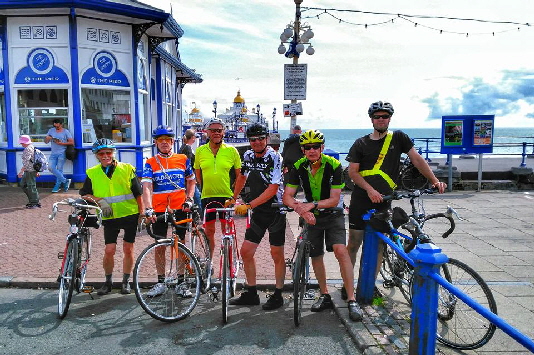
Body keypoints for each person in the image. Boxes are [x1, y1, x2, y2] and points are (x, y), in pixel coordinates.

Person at [345, 101, 447, 300]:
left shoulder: (399, 138)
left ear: (390, 118)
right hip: (361, 199)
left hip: (384, 200)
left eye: (384, 116)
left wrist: (434, 181)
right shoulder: (360, 143)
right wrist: (370, 190)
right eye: (377, 117)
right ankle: (347, 285)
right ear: (371, 119)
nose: (381, 119)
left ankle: (369, 284)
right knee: (354, 244)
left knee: (381, 244)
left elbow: (417, 159)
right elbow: (353, 173)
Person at [283, 129, 363, 322]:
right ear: (303, 150)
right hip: (311, 217)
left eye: (315, 147)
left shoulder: (334, 165)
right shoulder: (298, 166)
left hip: (333, 214)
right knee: (315, 255)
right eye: (307, 147)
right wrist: (303, 210)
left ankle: (352, 299)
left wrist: (312, 205)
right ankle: (324, 294)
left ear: (322, 148)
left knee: (340, 251)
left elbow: (335, 199)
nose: (312, 150)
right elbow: (287, 196)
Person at [226, 123, 286, 310]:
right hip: (259, 212)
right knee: (246, 252)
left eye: (261, 138)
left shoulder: (275, 157)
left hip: (276, 210)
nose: (257, 142)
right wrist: (233, 197)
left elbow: (273, 188)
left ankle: (278, 294)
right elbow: (242, 177)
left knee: (276, 254)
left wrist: (249, 205)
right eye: (253, 140)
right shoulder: (248, 155)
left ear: (267, 139)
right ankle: (251, 292)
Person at [79, 138, 143, 295]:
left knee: (128, 249)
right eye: (101, 153)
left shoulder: (126, 169)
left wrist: (142, 214)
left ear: (113, 153)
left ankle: (126, 282)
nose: (105, 156)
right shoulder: (93, 173)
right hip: (109, 216)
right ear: (97, 155)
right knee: (109, 250)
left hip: (130, 214)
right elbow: (85, 194)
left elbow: (138, 194)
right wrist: (100, 201)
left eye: (108, 152)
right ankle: (108, 282)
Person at [141, 125, 196, 297]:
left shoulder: (182, 159)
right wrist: (148, 208)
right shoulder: (150, 163)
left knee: (180, 246)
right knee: (160, 247)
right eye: (160, 140)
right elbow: (147, 186)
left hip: (180, 207)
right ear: (156, 142)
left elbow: (191, 181)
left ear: (172, 141)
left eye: (167, 139)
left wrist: (189, 198)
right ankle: (160, 282)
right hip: (159, 209)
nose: (164, 143)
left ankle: (181, 282)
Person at [194, 118, 241, 258]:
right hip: (207, 196)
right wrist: (203, 188)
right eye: (213, 130)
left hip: (226, 196)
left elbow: (240, 176)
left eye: (219, 130)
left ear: (223, 132)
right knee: (209, 231)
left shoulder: (232, 151)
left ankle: (228, 262)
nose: (216, 133)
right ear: (207, 132)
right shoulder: (200, 151)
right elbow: (198, 173)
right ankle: (209, 260)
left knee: (226, 230)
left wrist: (235, 195)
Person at [44, 118, 74, 193]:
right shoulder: (51, 130)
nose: (56, 127)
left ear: (61, 124)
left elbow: (71, 142)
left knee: (59, 169)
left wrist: (62, 144)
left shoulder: (66, 132)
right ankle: (65, 181)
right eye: (55, 126)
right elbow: (46, 142)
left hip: (62, 152)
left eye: (58, 126)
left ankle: (57, 186)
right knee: (50, 168)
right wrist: (47, 138)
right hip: (53, 153)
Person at [179, 129, 201, 208]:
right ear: (192, 137)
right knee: (196, 196)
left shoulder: (183, 147)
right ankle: (202, 215)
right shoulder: (187, 148)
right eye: (194, 137)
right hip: (189, 177)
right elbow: (188, 164)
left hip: (185, 177)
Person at [17, 135, 41, 209]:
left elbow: (27, 163)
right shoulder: (32, 147)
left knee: (31, 186)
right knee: (24, 184)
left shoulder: (27, 149)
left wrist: (21, 171)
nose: (21, 144)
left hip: (29, 170)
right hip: (30, 170)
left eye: (22, 143)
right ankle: (33, 200)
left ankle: (35, 202)